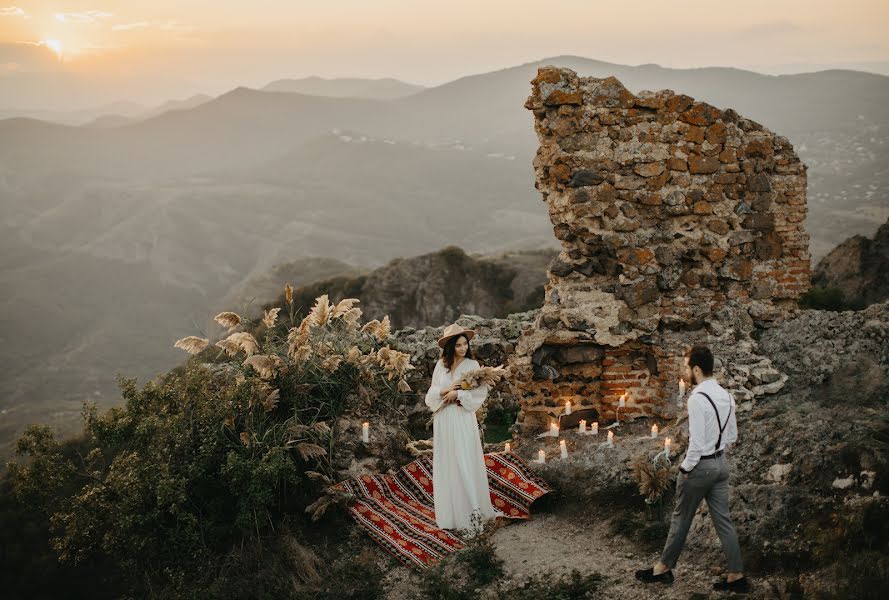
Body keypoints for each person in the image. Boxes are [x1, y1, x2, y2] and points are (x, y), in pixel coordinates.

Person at [636, 345, 748, 594]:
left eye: (687, 367)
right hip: (721, 465)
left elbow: (696, 442)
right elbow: (732, 435)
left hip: (700, 466)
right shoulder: (726, 395)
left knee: (680, 518)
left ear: (696, 369)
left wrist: (685, 468)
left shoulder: (697, 397)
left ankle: (663, 569)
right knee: (724, 522)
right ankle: (736, 575)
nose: (686, 371)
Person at [424, 323, 497, 535]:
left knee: (463, 459)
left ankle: (472, 515)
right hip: (444, 419)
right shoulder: (441, 366)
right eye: (458, 345)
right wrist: (446, 390)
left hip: (462, 417)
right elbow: (431, 394)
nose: (463, 348)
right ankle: (451, 516)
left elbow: (479, 394)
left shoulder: (472, 365)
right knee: (448, 462)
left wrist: (459, 395)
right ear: (450, 347)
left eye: (465, 344)